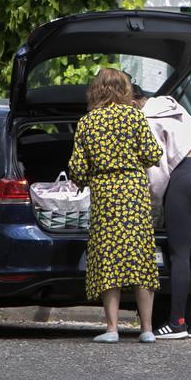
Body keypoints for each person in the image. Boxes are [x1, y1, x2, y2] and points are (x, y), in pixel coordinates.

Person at [68, 68, 162, 343]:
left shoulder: (87, 122)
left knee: (108, 259)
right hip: (134, 194)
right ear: (125, 89)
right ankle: (147, 329)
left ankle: (112, 329)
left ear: (97, 89)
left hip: (105, 195)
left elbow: (77, 169)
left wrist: (89, 178)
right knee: (140, 258)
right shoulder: (134, 116)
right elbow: (152, 153)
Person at [140, 92, 191, 339]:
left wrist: (153, 202)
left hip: (184, 179)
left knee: (180, 254)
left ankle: (177, 322)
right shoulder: (177, 108)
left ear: (135, 102)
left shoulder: (147, 117)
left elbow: (158, 170)